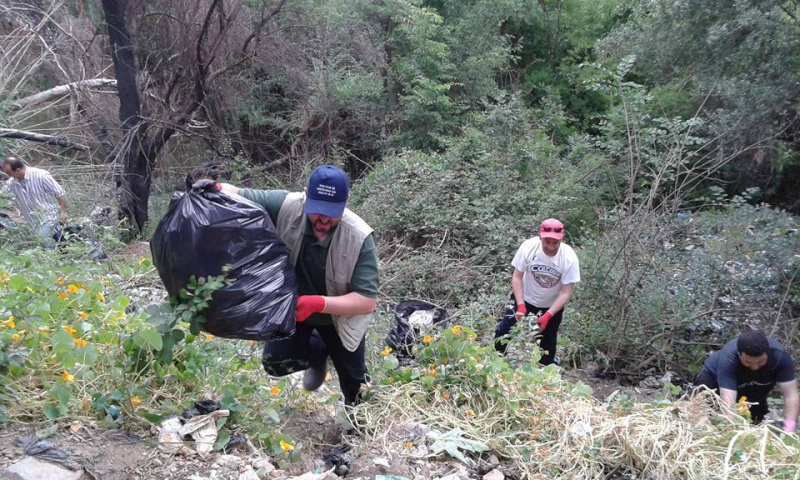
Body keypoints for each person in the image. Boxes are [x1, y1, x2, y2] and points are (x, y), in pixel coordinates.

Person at [212, 165, 379, 406]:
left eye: (331, 212)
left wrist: (317, 303)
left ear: (345, 203)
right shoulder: (288, 206)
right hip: (295, 309)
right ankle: (318, 354)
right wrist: (212, 188)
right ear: (305, 196)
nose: (322, 219)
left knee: (356, 385)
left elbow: (366, 301)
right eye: (317, 210)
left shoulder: (359, 237)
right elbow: (235, 193)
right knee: (275, 362)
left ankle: (359, 432)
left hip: (339, 318)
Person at [493, 218, 580, 365]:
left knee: (547, 345)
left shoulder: (569, 258)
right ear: (540, 237)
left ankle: (545, 374)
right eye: (547, 242)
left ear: (561, 239)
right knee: (503, 331)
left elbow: (566, 292)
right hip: (524, 297)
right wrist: (520, 306)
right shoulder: (528, 247)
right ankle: (496, 361)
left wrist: (548, 315)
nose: (551, 247)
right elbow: (517, 276)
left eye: (555, 243)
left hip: (551, 305)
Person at [694, 329, 798, 433]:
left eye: (760, 361)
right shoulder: (729, 358)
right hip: (714, 381)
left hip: (753, 386)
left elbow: (791, 395)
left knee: (755, 424)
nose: (755, 367)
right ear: (739, 355)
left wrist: (789, 428)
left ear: (767, 353)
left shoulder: (780, 357)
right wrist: (731, 430)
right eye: (748, 362)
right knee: (708, 415)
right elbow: (728, 399)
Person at [2, 157, 67, 247]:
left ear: (17, 170)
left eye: (10, 173)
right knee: (55, 242)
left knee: (45, 245)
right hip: (33, 221)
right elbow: (3, 195)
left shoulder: (41, 175)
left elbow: (60, 194)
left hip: (49, 217)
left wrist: (63, 212)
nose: (9, 176)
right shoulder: (12, 183)